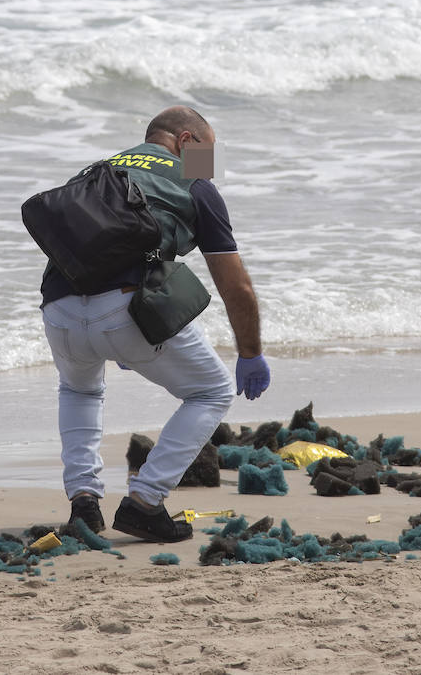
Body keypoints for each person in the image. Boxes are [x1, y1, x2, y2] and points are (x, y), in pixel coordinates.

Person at [40, 106, 270, 543]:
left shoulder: (95, 171)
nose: (211, 169)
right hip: (127, 311)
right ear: (185, 141)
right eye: (209, 154)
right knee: (212, 391)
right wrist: (250, 353)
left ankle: (84, 504)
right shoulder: (195, 185)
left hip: (59, 311)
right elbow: (236, 286)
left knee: (79, 390)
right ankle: (144, 501)